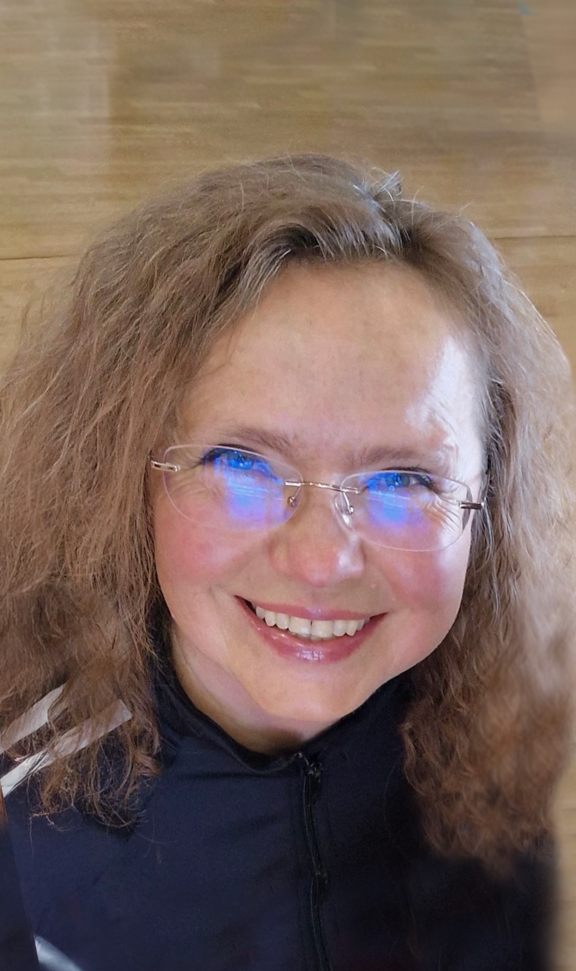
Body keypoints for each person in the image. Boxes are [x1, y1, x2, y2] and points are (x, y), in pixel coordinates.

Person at [0, 153, 575, 971]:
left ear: (490, 507)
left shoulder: (501, 733)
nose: (319, 562)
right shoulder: (20, 791)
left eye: (403, 481)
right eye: (242, 467)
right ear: (123, 478)